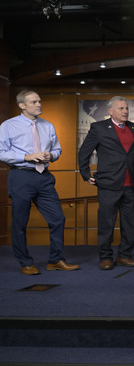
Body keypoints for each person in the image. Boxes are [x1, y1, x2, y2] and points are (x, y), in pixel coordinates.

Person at [0, 90, 79, 275]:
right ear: (22, 105)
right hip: (21, 176)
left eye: (39, 101)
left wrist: (51, 155)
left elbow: (58, 150)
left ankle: (55, 260)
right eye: (34, 102)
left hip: (44, 177)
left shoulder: (48, 126)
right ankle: (25, 262)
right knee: (20, 223)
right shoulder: (8, 126)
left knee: (58, 218)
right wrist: (26, 156)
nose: (39, 105)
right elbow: (2, 153)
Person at [78, 96, 134, 270]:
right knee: (106, 224)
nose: (125, 111)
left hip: (130, 185)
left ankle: (124, 256)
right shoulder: (98, 128)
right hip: (108, 185)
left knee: (129, 224)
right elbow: (84, 152)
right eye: (121, 108)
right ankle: (105, 257)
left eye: (126, 108)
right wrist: (85, 173)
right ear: (110, 111)